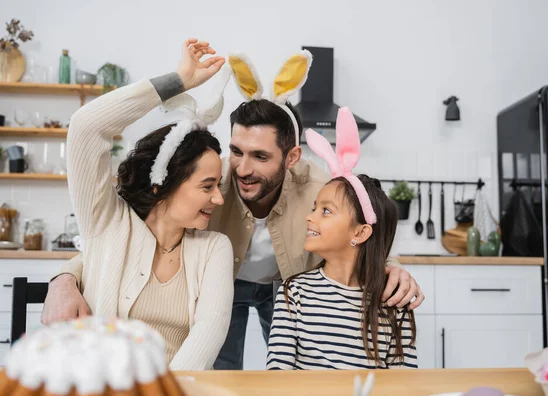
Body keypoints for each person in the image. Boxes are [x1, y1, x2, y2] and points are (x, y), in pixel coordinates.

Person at [42, 50, 425, 371]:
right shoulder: (212, 178)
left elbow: (358, 220)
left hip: (283, 284)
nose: (240, 170)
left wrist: (388, 264)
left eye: (260, 156)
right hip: (228, 283)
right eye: (237, 152)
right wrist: (64, 277)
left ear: (291, 158)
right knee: (223, 372)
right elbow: (112, 239)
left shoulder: (317, 188)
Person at [42, 38, 235, 370]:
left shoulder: (215, 248)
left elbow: (209, 332)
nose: (218, 197)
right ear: (164, 182)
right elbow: (87, 127)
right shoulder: (106, 224)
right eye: (208, 186)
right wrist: (177, 82)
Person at [267, 108, 417, 370]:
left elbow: (403, 384)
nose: (309, 218)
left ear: (360, 232)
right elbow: (277, 376)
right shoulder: (294, 293)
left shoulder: (394, 302)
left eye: (325, 210)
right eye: (314, 208)